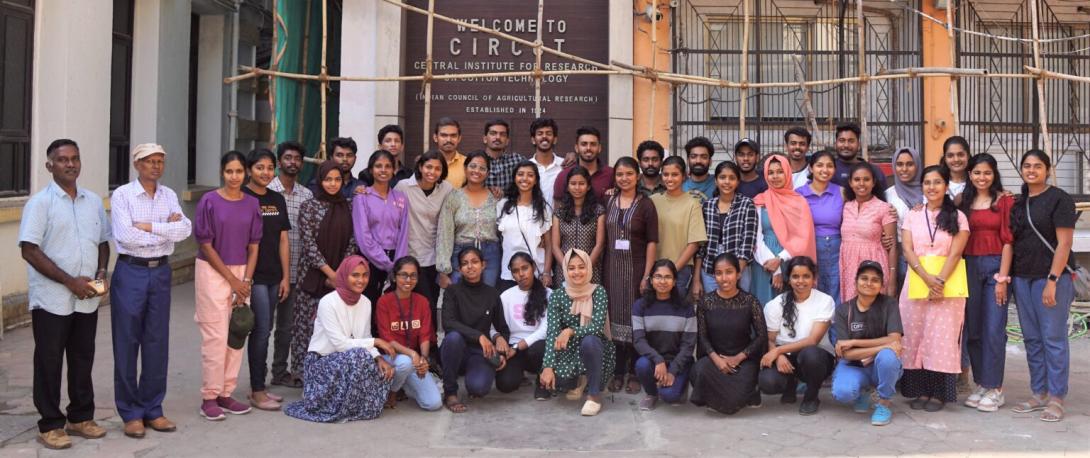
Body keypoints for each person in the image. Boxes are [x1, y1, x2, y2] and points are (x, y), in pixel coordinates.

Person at [19, 139, 111, 449]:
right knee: (49, 360)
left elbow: (103, 241)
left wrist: (101, 274)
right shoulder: (40, 203)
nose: (70, 164)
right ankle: (50, 424)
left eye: (74, 158)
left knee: (83, 357)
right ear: (50, 166)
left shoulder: (93, 201)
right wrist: (69, 281)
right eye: (62, 160)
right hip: (52, 298)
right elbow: (29, 250)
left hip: (86, 298)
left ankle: (81, 417)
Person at [107, 143, 191, 438]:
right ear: (137, 165)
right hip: (131, 271)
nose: (156, 166)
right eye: (149, 161)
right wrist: (163, 228)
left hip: (160, 272)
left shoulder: (168, 195)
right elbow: (125, 236)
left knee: (157, 341)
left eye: (160, 161)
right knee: (127, 340)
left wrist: (149, 227)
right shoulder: (123, 195)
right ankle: (130, 412)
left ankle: (153, 408)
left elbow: (185, 230)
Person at [283, 256, 400, 422]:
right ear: (345, 276)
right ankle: (327, 401)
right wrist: (376, 342)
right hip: (321, 362)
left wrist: (379, 358)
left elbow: (364, 337)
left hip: (349, 357)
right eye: (355, 275)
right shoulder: (328, 302)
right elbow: (340, 344)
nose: (361, 280)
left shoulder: (365, 302)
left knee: (383, 368)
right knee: (359, 356)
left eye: (365, 275)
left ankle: (356, 406)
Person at [193, 150, 263, 421]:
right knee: (215, 336)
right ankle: (209, 396)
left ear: (245, 172)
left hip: (242, 271)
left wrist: (245, 280)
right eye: (229, 171)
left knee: (236, 332)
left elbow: (254, 246)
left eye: (238, 171)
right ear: (222, 173)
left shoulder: (251, 204)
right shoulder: (209, 201)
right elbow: (205, 244)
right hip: (212, 270)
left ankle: (226, 392)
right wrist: (232, 280)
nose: (234, 177)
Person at [1009, 150, 1076, 422]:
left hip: (1051, 279)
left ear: (1047, 170)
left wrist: (1052, 280)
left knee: (1054, 339)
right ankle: (1039, 393)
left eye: (1038, 166)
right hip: (1022, 278)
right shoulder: (1018, 202)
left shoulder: (1059, 199)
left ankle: (1057, 397)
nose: (1032, 170)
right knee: (1032, 339)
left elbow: (1065, 243)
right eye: (1027, 166)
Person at [899, 166, 969, 412]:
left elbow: (956, 252)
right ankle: (919, 391)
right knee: (914, 336)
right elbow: (907, 249)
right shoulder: (912, 215)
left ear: (946, 186)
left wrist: (937, 281)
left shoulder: (958, 217)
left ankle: (939, 394)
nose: (932, 187)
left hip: (947, 287)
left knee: (941, 338)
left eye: (937, 182)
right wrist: (925, 277)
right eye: (927, 182)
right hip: (916, 283)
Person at [291, 161, 359, 383]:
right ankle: (303, 374)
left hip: (341, 276)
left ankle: (328, 375)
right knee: (306, 326)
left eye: (337, 179)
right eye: (327, 179)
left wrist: (341, 274)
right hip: (312, 277)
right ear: (320, 180)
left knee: (335, 327)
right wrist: (332, 275)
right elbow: (309, 245)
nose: (332, 184)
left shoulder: (348, 206)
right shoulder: (308, 206)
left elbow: (352, 241)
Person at [958, 153, 1013, 412]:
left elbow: (1008, 241)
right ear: (970, 175)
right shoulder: (963, 202)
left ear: (994, 175)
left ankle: (996, 388)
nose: (982, 177)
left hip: (995, 269)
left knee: (993, 329)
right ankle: (982, 382)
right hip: (968, 267)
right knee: (974, 329)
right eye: (977, 172)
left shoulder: (1004, 201)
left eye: (987, 173)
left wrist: (1002, 278)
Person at [240, 149, 291, 412]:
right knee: (260, 332)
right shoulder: (242, 197)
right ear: (249, 169)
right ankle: (257, 391)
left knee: (266, 330)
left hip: (274, 275)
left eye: (270, 168)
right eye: (260, 167)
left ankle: (258, 386)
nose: (266, 172)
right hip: (254, 276)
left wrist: (286, 276)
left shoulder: (276, 199)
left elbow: (283, 240)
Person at [603, 156, 659, 394]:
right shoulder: (608, 201)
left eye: (628, 173)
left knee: (636, 319)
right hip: (612, 270)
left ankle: (636, 372)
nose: (624, 178)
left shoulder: (646, 205)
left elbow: (652, 242)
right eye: (619, 174)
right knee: (615, 318)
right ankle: (618, 371)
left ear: (637, 176)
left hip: (636, 270)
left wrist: (647, 275)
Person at [539, 249, 616, 416]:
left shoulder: (598, 291)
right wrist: (548, 366)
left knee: (590, 341)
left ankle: (593, 395)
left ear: (589, 268)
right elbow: (552, 331)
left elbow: (596, 326)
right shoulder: (558, 296)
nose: (577, 272)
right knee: (561, 382)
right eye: (571, 268)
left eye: (581, 267)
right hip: (569, 349)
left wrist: (570, 331)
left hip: (595, 345)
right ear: (565, 270)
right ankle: (580, 380)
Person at [689, 253, 767, 415]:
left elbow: (761, 336)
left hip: (743, 361)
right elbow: (702, 337)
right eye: (719, 273)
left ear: (738, 274)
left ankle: (746, 391)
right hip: (715, 360)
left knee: (731, 404)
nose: (724, 278)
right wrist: (717, 360)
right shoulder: (706, 302)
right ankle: (734, 393)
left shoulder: (750, 302)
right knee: (698, 371)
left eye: (729, 272)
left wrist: (738, 358)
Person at [830, 261, 904, 426]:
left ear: (881, 285)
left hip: (880, 367)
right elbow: (846, 353)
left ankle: (884, 402)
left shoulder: (889, 304)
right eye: (864, 278)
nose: (869, 283)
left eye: (875, 280)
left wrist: (855, 341)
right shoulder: (844, 310)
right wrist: (884, 345)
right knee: (843, 392)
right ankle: (863, 391)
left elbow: (895, 338)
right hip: (854, 365)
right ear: (855, 282)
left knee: (888, 358)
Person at [758, 257, 835, 415]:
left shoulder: (825, 301)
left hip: (816, 357)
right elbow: (770, 339)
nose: (801, 281)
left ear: (814, 278)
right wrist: (779, 355)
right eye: (795, 276)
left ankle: (811, 396)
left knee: (811, 354)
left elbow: (813, 340)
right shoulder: (775, 304)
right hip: (786, 357)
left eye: (806, 276)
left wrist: (778, 351)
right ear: (789, 278)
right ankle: (789, 385)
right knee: (768, 382)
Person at [440, 247, 512, 413]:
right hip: (455, 349)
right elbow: (448, 323)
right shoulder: (452, 291)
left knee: (479, 388)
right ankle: (450, 392)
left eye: (474, 262)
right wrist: (479, 335)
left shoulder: (492, 294)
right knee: (453, 338)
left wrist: (501, 340)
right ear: (459, 269)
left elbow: (502, 327)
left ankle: (472, 375)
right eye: (465, 263)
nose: (470, 266)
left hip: (479, 352)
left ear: (483, 265)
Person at [268, 141, 314, 388]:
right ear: (279, 162)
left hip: (296, 271)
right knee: (262, 327)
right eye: (288, 157)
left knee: (287, 328)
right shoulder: (265, 192)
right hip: (267, 272)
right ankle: (257, 376)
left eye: (297, 158)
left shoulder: (306, 195)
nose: (293, 162)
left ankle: (279, 371)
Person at [395, 150, 454, 343]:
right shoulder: (404, 186)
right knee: (410, 306)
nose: (432, 172)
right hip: (409, 256)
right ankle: (411, 347)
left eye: (438, 168)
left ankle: (430, 350)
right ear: (420, 166)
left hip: (433, 259)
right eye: (429, 166)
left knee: (428, 306)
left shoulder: (447, 189)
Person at [374, 256, 443, 411]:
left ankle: (405, 383)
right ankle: (393, 391)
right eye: (403, 274)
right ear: (394, 276)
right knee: (404, 362)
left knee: (433, 403)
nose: (408, 279)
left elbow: (425, 335)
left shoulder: (422, 301)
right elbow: (387, 340)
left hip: (413, 360)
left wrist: (423, 359)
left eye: (413, 275)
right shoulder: (384, 302)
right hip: (391, 358)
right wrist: (413, 354)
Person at [633, 260, 697, 410]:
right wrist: (658, 360)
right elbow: (638, 340)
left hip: (679, 362)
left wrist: (673, 371)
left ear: (674, 281)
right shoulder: (640, 306)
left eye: (668, 277)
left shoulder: (686, 307)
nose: (662, 281)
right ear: (651, 280)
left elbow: (688, 345)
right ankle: (652, 394)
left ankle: (678, 385)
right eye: (658, 276)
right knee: (641, 365)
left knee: (670, 396)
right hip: (654, 361)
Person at [752, 156, 817, 305]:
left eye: (780, 172)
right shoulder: (760, 200)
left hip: (790, 261)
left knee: (790, 307)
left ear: (788, 173)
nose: (775, 176)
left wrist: (780, 260)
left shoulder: (799, 202)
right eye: (771, 172)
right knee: (764, 306)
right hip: (764, 261)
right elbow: (756, 238)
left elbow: (803, 237)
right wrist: (775, 269)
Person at [352, 150, 410, 315]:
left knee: (391, 309)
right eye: (378, 166)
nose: (383, 170)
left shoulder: (400, 198)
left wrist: (398, 265)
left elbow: (404, 232)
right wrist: (387, 264)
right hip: (370, 260)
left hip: (396, 260)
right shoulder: (362, 197)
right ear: (371, 170)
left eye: (388, 166)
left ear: (393, 170)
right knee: (369, 306)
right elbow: (363, 236)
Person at [436, 151, 501, 287]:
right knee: (461, 299)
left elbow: (505, 229)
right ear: (465, 169)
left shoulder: (496, 198)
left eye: (482, 168)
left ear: (488, 173)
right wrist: (443, 270)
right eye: (473, 166)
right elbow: (445, 234)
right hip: (461, 255)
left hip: (490, 255)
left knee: (486, 298)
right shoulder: (453, 197)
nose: (477, 171)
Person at [494, 253, 551, 398]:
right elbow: (493, 324)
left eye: (524, 268)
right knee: (505, 385)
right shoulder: (505, 296)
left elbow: (545, 330)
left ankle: (543, 380)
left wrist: (519, 346)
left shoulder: (549, 294)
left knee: (538, 348)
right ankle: (520, 374)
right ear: (512, 275)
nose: (521, 274)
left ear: (533, 268)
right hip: (512, 349)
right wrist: (498, 337)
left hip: (537, 347)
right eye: (515, 271)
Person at [696, 161, 757, 296]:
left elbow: (748, 241)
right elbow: (701, 246)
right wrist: (696, 279)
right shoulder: (707, 206)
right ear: (716, 181)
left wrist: (736, 274)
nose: (727, 182)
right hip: (710, 268)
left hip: (739, 266)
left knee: (739, 308)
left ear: (738, 181)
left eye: (732, 178)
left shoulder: (747, 204)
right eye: (722, 177)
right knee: (714, 308)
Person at [651, 156, 707, 299]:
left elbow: (694, 244)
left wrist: (672, 271)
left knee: (676, 313)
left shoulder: (693, 203)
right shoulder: (653, 200)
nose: (669, 179)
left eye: (675, 174)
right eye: (666, 174)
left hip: (680, 270)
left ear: (684, 176)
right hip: (655, 269)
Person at [840, 163, 898, 300]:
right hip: (848, 267)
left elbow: (893, 246)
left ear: (873, 182)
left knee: (873, 310)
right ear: (850, 182)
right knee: (853, 312)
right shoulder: (846, 206)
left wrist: (892, 280)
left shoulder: (884, 208)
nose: (861, 183)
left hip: (873, 267)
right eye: (857, 179)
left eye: (866, 179)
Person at [497, 161, 553, 290]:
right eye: (520, 174)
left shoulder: (542, 208)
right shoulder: (503, 205)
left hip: (536, 272)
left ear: (535, 181)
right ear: (515, 178)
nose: (524, 179)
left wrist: (546, 272)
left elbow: (549, 244)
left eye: (530, 175)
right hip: (510, 273)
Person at [797, 150, 844, 302]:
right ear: (811, 168)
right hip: (810, 248)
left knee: (836, 289)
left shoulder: (842, 192)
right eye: (819, 165)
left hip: (837, 248)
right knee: (813, 289)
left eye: (830, 166)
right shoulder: (799, 195)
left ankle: (836, 326)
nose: (825, 170)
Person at [551, 166, 606, 283]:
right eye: (573, 183)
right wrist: (568, 269)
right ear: (568, 186)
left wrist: (585, 269)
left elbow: (599, 245)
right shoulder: (559, 213)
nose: (577, 187)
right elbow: (555, 246)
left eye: (581, 183)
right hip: (564, 272)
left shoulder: (598, 211)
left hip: (591, 271)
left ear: (588, 186)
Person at [884, 146, 923, 293]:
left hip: (925, 256)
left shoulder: (929, 191)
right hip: (899, 256)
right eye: (900, 164)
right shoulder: (888, 195)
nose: (904, 169)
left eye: (910, 164)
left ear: (917, 165)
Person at [553, 126, 614, 202]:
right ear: (576, 148)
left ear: (599, 148)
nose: (588, 148)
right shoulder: (564, 176)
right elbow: (558, 208)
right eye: (584, 144)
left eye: (593, 144)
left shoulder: (611, 174)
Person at [831, 123, 888, 192]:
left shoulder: (873, 171)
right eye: (842, 140)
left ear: (858, 145)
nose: (846, 145)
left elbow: (882, 198)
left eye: (851, 141)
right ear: (835, 144)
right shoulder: (827, 170)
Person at [480, 119, 522, 198]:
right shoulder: (476, 162)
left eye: (502, 134)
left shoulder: (517, 160)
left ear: (507, 141)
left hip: (509, 208)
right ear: (485, 139)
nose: (498, 137)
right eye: (493, 133)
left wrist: (505, 193)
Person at [528, 117, 564, 205]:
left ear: (555, 139)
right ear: (533, 140)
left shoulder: (564, 166)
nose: (544, 136)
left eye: (548, 133)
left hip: (560, 218)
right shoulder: (526, 168)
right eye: (540, 133)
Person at [434, 117, 467, 187]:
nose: (449, 140)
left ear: (459, 138)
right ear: (435, 138)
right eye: (444, 135)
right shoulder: (426, 163)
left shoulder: (467, 163)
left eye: (453, 135)